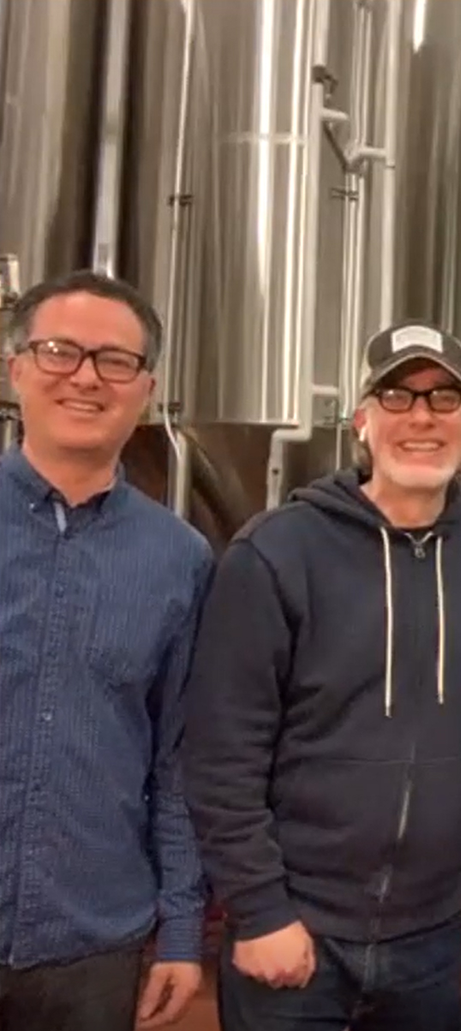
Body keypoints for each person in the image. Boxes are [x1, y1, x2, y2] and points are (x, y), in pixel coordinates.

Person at [181, 321, 461, 1031]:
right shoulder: (278, 553)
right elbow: (221, 753)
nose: (421, 417)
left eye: (443, 398)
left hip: (430, 934)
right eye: (397, 397)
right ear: (363, 423)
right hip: (300, 927)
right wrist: (260, 910)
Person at [0, 270, 210, 1030]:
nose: (86, 377)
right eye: (60, 351)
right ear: (15, 368)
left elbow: (178, 761)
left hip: (91, 949)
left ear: (146, 389)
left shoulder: (180, 559)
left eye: (115, 361)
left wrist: (181, 929)